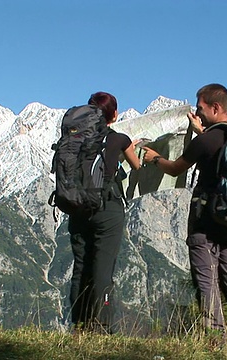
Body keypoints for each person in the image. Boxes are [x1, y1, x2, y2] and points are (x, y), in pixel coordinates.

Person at [142, 84, 227, 343]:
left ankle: (216, 341)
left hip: (205, 222)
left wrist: (154, 158)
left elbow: (174, 168)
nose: (198, 112)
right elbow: (216, 151)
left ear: (215, 108)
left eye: (201, 108)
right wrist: (200, 130)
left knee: (207, 281)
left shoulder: (205, 141)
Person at [68, 91, 141, 333]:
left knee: (81, 266)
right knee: (103, 269)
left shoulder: (75, 140)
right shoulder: (118, 138)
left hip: (77, 207)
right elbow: (137, 165)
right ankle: (101, 326)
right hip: (107, 208)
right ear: (115, 115)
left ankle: (78, 323)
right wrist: (131, 147)